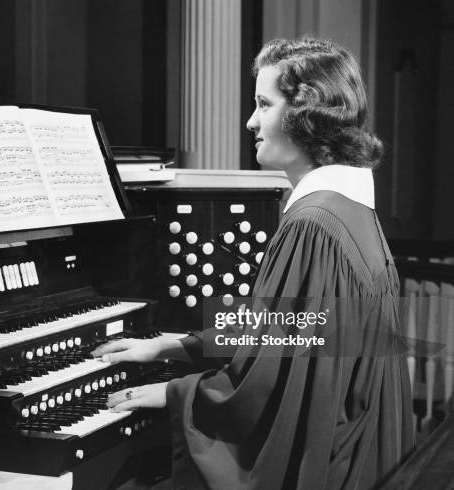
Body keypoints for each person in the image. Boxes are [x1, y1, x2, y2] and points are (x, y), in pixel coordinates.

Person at [93, 37, 414, 489]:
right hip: (361, 448)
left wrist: (174, 393)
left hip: (329, 465)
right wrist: (175, 345)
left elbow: (264, 386)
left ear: (307, 116)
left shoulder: (314, 224)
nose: (250, 121)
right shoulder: (347, 210)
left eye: (264, 105)